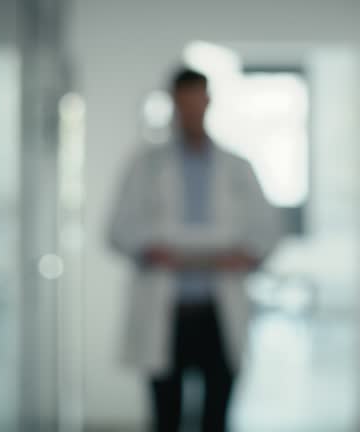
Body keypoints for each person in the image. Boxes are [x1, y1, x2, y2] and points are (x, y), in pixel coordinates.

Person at [108, 68, 283, 432]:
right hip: (167, 309)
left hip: (218, 311)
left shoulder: (236, 166)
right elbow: (118, 229)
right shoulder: (146, 165)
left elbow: (266, 229)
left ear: (208, 101)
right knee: (166, 415)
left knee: (216, 416)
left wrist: (243, 254)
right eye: (182, 103)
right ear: (173, 103)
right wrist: (151, 249)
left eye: (197, 102)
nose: (190, 111)